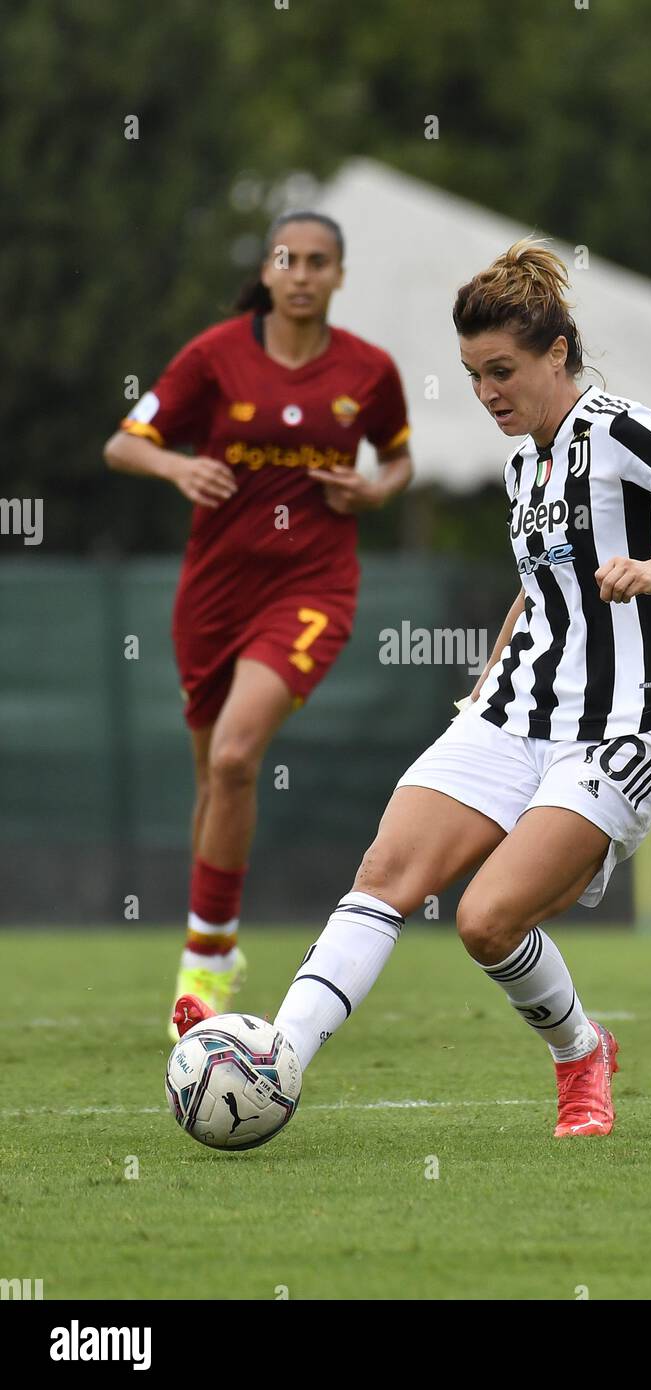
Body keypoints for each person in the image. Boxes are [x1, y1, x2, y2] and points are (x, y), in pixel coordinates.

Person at [175, 238, 651, 1136]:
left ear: (556, 354)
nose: (487, 393)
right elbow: (540, 587)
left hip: (624, 724)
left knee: (488, 921)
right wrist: (486, 682)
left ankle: (581, 1053)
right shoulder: (525, 460)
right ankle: (276, 1059)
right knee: (384, 875)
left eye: (501, 371)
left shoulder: (620, 429)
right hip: (514, 708)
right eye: (472, 374)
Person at [104, 212, 412, 1040]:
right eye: (289, 260)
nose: (303, 273)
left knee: (239, 755)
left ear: (340, 276)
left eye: (319, 261)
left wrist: (373, 490)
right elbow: (124, 445)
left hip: (312, 588)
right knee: (214, 780)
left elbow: (399, 459)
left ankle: (204, 962)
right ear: (268, 272)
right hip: (214, 591)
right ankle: (222, 948)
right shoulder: (213, 357)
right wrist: (177, 463)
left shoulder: (369, 371)